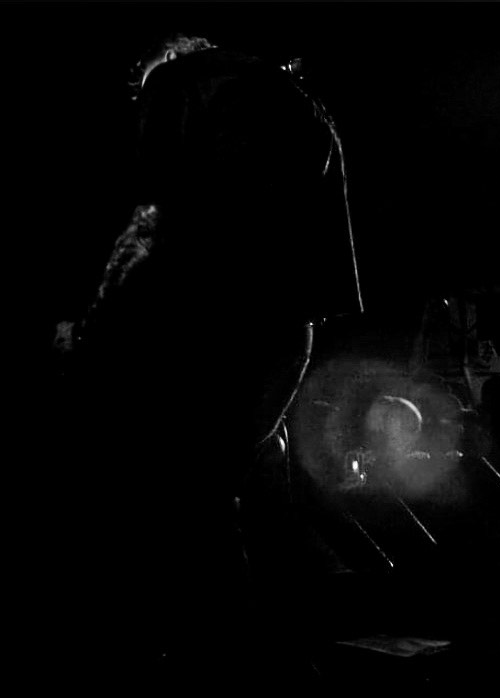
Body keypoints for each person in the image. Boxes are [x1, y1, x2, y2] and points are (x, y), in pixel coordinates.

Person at [51, 33, 363, 686]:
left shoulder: (181, 84)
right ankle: (275, 652)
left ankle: (215, 658)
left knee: (178, 493)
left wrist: (96, 322)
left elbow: (157, 206)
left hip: (205, 314)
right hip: (285, 326)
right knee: (239, 486)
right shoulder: (298, 103)